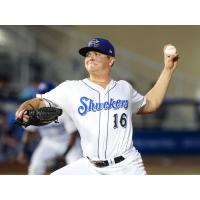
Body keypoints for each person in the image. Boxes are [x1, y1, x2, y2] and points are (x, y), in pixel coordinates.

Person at [15, 38, 179, 175]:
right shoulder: (71, 88)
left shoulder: (124, 88)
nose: (90, 57)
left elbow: (150, 104)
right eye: (88, 54)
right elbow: (38, 102)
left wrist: (167, 69)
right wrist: (23, 110)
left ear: (111, 60)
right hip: (90, 167)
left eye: (96, 53)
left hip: (126, 166)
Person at [17, 81, 82, 174]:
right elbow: (29, 132)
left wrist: (64, 155)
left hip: (69, 143)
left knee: (76, 167)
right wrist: (23, 150)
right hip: (48, 143)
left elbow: (73, 134)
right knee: (35, 165)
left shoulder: (64, 108)